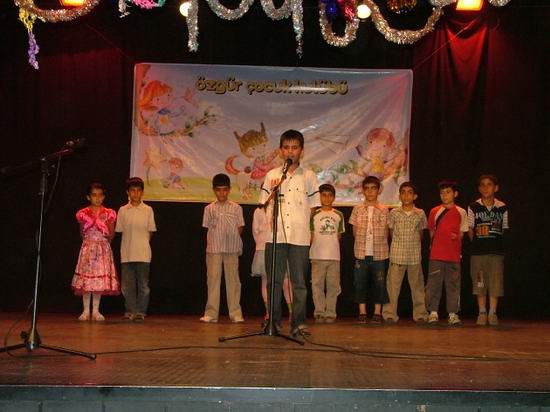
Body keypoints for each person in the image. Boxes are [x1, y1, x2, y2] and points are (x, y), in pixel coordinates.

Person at [259, 129, 320, 337]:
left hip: (299, 237)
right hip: (274, 236)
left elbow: (314, 206)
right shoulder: (272, 175)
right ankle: (273, 322)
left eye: (294, 147)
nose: (290, 151)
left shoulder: (309, 176)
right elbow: (263, 202)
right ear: (280, 150)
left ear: (301, 150)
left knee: (299, 283)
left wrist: (302, 224)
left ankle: (298, 323)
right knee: (274, 281)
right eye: (286, 147)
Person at [200, 173, 245, 323]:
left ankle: (235, 313)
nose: (222, 193)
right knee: (213, 280)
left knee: (233, 281)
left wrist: (232, 238)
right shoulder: (209, 209)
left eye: (225, 190)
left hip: (231, 248)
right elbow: (207, 228)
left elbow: (240, 227)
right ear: (214, 190)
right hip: (214, 248)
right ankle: (211, 313)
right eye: (218, 190)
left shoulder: (236, 208)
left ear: (229, 190)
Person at [72, 182, 119, 321]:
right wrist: (89, 244)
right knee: (87, 280)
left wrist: (103, 245)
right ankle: (86, 310)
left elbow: (111, 233)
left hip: (103, 248)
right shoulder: (83, 213)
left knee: (98, 281)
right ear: (88, 197)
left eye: (100, 195)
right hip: (88, 248)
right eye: (94, 195)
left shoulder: (109, 213)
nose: (97, 198)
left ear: (103, 197)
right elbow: (82, 232)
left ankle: (96, 311)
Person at [382, 182, 428, 323]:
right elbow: (391, 232)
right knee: (392, 287)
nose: (406, 195)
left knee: (418, 287)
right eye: (403, 192)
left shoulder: (420, 213)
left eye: (409, 192)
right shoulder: (394, 213)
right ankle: (389, 314)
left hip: (414, 255)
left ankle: (420, 314)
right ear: (399, 196)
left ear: (415, 196)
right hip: (397, 255)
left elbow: (421, 233)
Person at [426, 180, 468, 325]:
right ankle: (433, 313)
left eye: (448, 192)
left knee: (453, 285)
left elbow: (462, 233)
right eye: (442, 193)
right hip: (436, 255)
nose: (444, 195)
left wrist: (455, 238)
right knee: (434, 284)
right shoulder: (434, 211)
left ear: (455, 194)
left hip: (453, 256)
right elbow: (431, 233)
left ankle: (452, 314)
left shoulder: (461, 212)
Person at [468, 174, 509, 326]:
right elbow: (470, 229)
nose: (486, 188)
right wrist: (477, 243)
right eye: (482, 185)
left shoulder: (502, 207)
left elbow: (504, 229)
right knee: (480, 282)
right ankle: (482, 312)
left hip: (496, 252)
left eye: (489, 184)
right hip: (478, 253)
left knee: (495, 282)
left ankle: (492, 312)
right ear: (479, 188)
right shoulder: (473, 207)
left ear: (496, 188)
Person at [116, 177, 157, 322]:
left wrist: (143, 244)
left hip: (143, 254)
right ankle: (130, 311)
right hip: (126, 253)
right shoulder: (122, 210)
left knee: (143, 286)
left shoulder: (148, 210)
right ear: (128, 192)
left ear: (142, 192)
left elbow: (150, 231)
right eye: (132, 190)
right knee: (127, 286)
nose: (136, 193)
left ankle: (140, 312)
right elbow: (120, 230)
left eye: (139, 190)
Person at [349, 176, 389, 324]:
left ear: (378, 190)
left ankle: (377, 312)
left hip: (379, 253)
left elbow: (387, 230)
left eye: (373, 188)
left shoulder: (384, 209)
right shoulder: (357, 209)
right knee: (360, 283)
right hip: (361, 252)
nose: (370, 191)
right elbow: (354, 231)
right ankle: (362, 312)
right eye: (367, 188)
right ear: (363, 190)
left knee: (379, 283)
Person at [251, 204, 293, 321]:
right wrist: (261, 244)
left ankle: (292, 311)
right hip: (263, 248)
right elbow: (255, 231)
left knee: (286, 282)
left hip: (280, 247)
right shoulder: (258, 211)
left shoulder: (283, 206)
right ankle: (269, 312)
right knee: (266, 281)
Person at [309, 183, 345, 323]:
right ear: (319, 197)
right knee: (317, 286)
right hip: (317, 256)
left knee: (333, 286)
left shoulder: (339, 215)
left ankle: (330, 313)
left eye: (330, 195)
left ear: (334, 197)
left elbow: (339, 236)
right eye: (323, 195)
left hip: (334, 257)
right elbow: (311, 235)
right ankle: (319, 312)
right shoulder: (314, 214)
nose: (326, 198)